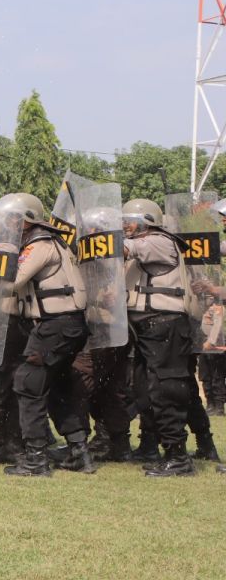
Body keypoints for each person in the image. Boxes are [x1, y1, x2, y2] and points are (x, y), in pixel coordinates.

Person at [0, 194, 91, 477]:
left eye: (12, 219)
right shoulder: (50, 241)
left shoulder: (38, 244)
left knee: (27, 383)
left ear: (25, 220)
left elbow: (12, 279)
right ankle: (79, 452)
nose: (7, 224)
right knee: (57, 385)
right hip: (66, 325)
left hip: (56, 325)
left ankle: (36, 460)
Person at [122, 198, 197, 477]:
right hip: (146, 328)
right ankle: (151, 446)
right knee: (144, 390)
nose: (125, 225)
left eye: (130, 220)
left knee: (166, 390)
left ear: (148, 222)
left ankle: (178, 456)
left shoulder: (158, 241)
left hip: (165, 326)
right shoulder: (143, 246)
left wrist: (98, 237)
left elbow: (122, 248)